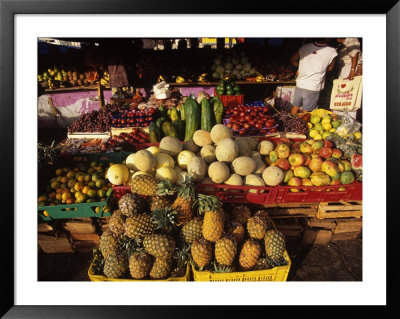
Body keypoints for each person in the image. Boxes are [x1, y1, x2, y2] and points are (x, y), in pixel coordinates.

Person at [289, 38, 338, 115]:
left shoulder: (305, 47)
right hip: (313, 86)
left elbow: (293, 60)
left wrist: (301, 68)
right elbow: (331, 68)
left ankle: (290, 124)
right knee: (307, 112)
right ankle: (302, 126)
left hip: (300, 83)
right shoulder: (332, 51)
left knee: (296, 106)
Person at [335, 38, 362, 120]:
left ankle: (350, 121)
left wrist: (352, 70)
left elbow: (355, 54)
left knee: (350, 96)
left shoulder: (351, 39)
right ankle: (341, 119)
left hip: (349, 68)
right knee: (342, 97)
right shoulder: (341, 44)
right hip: (345, 69)